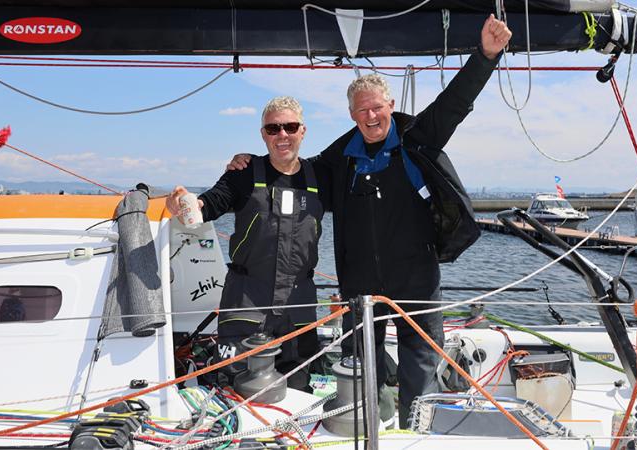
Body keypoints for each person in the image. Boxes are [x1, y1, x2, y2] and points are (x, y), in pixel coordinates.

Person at [226, 15, 512, 427]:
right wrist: (248, 165)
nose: (371, 116)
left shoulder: (418, 138)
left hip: (416, 275)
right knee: (360, 365)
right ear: (352, 114)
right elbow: (289, 167)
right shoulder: (338, 158)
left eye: (377, 108)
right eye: (362, 111)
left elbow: (455, 102)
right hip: (360, 282)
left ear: (390, 107)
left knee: (419, 361)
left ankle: (415, 429)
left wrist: (485, 55)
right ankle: (370, 424)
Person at [166, 96, 330, 391]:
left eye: (290, 127)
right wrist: (186, 204)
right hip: (247, 303)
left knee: (298, 390)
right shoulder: (244, 173)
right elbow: (211, 203)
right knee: (236, 387)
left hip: (300, 306)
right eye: (273, 129)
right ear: (263, 134)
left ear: (303, 131)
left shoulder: (321, 175)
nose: (282, 135)